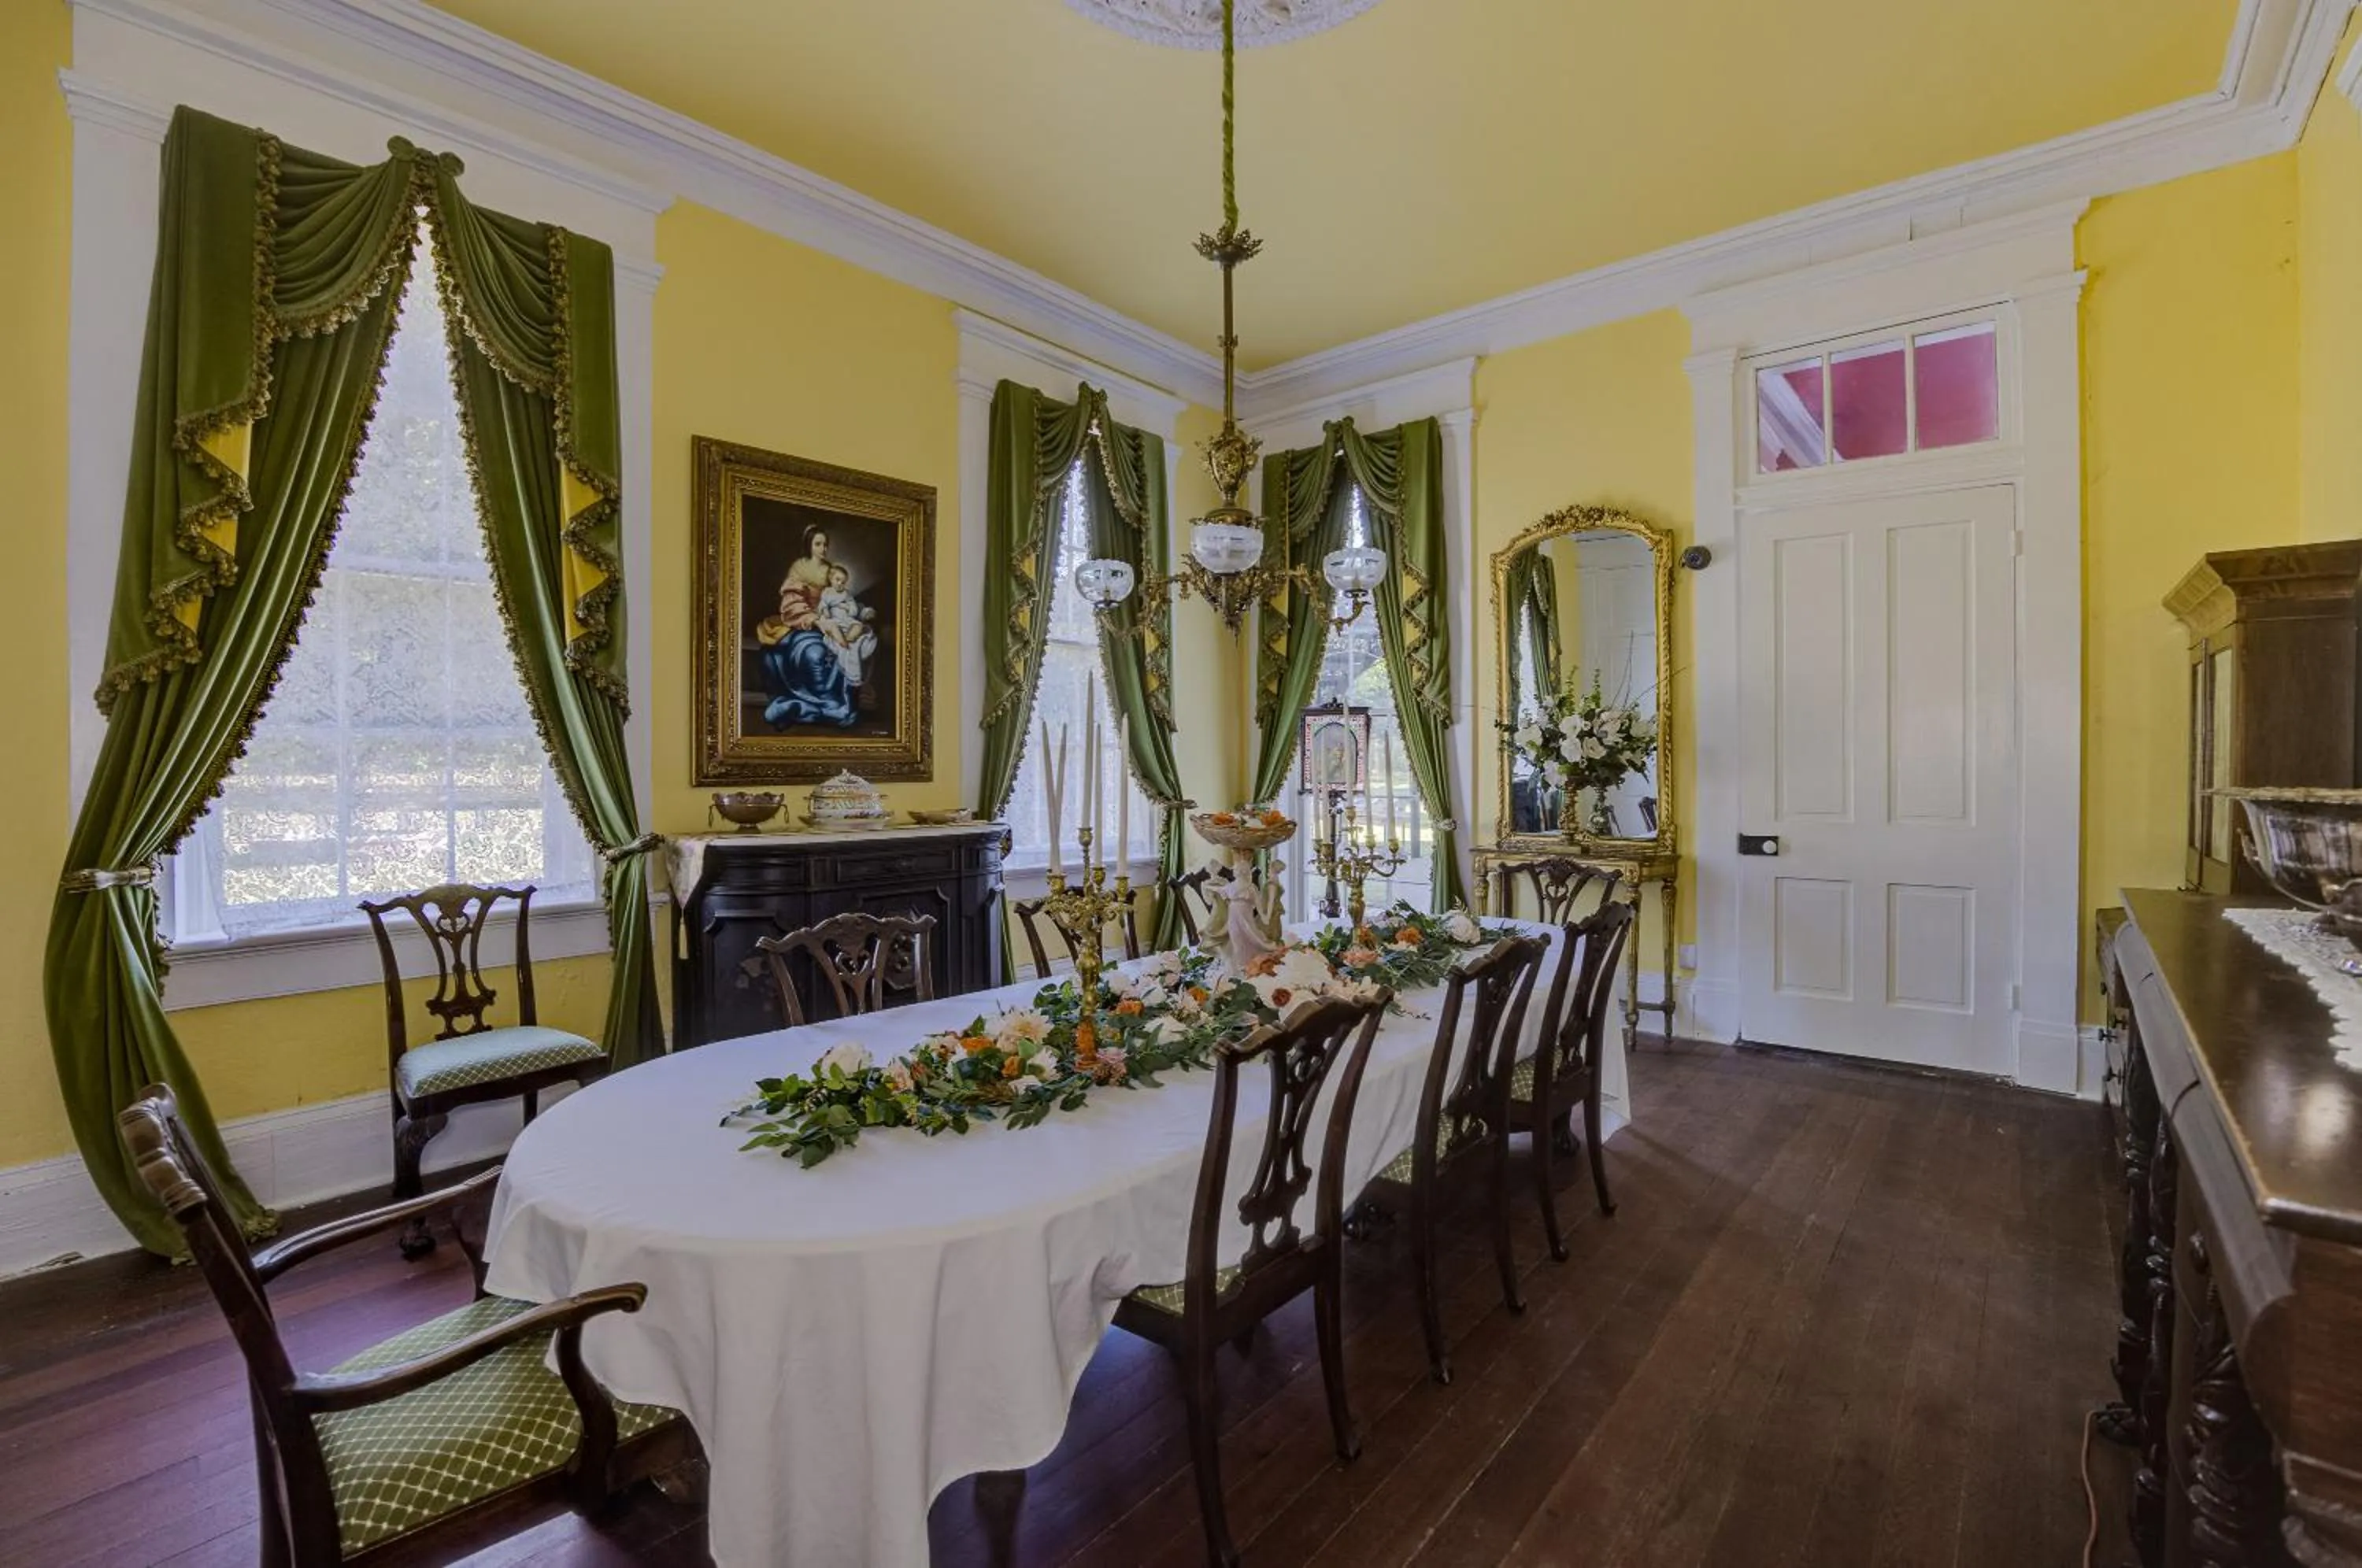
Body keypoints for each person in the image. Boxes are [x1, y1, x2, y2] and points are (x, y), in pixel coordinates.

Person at [755, 527, 861, 729]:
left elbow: (839, 596)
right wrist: (815, 619)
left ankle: (831, 706)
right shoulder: (800, 567)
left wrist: (840, 613)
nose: (823, 548)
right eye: (818, 544)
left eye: (825, 544)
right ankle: (804, 705)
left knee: (840, 648)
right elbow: (792, 601)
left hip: (830, 619)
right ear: (809, 545)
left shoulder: (831, 569)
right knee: (808, 654)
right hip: (803, 620)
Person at [816, 562, 878, 689]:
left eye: (843, 582)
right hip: (835, 619)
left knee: (859, 626)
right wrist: (825, 611)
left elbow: (854, 609)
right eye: (838, 580)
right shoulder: (827, 592)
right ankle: (842, 641)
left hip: (847, 620)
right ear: (831, 579)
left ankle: (849, 638)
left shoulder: (846, 594)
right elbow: (822, 605)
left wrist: (848, 607)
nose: (840, 584)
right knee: (833, 627)